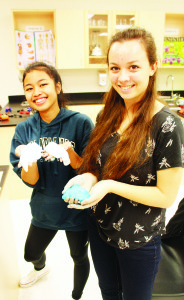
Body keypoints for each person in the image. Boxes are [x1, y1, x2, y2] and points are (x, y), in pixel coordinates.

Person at [63, 27, 184, 300]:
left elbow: (166, 196)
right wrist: (90, 178)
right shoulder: (108, 112)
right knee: (108, 291)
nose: (123, 77)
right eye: (115, 68)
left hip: (137, 239)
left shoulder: (167, 125)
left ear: (153, 67)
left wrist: (107, 185)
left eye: (133, 66)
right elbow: (97, 165)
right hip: (99, 225)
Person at [10, 62, 94, 300]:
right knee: (30, 253)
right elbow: (31, 181)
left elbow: (88, 170)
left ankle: (76, 295)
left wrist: (69, 152)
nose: (36, 92)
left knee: (78, 257)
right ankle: (40, 268)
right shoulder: (24, 130)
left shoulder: (80, 122)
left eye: (43, 84)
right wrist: (30, 158)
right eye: (29, 88)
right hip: (44, 207)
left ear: (57, 87)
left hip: (76, 207)